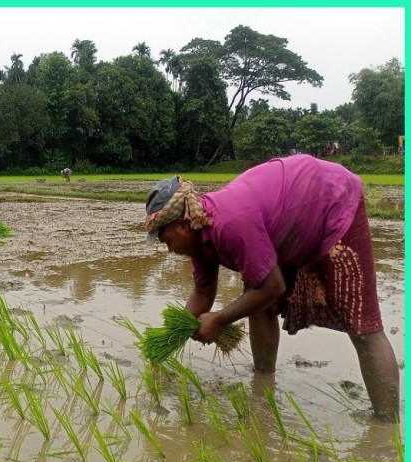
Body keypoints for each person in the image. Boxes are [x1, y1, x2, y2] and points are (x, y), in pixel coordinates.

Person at [144, 154, 399, 421]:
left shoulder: (230, 224)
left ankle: (387, 427)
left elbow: (272, 286)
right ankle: (263, 381)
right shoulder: (200, 235)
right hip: (288, 220)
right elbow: (203, 293)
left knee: (361, 324)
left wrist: (218, 320)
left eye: (166, 241)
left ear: (182, 225)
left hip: (331, 198)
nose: (170, 250)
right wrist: (171, 337)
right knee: (257, 304)